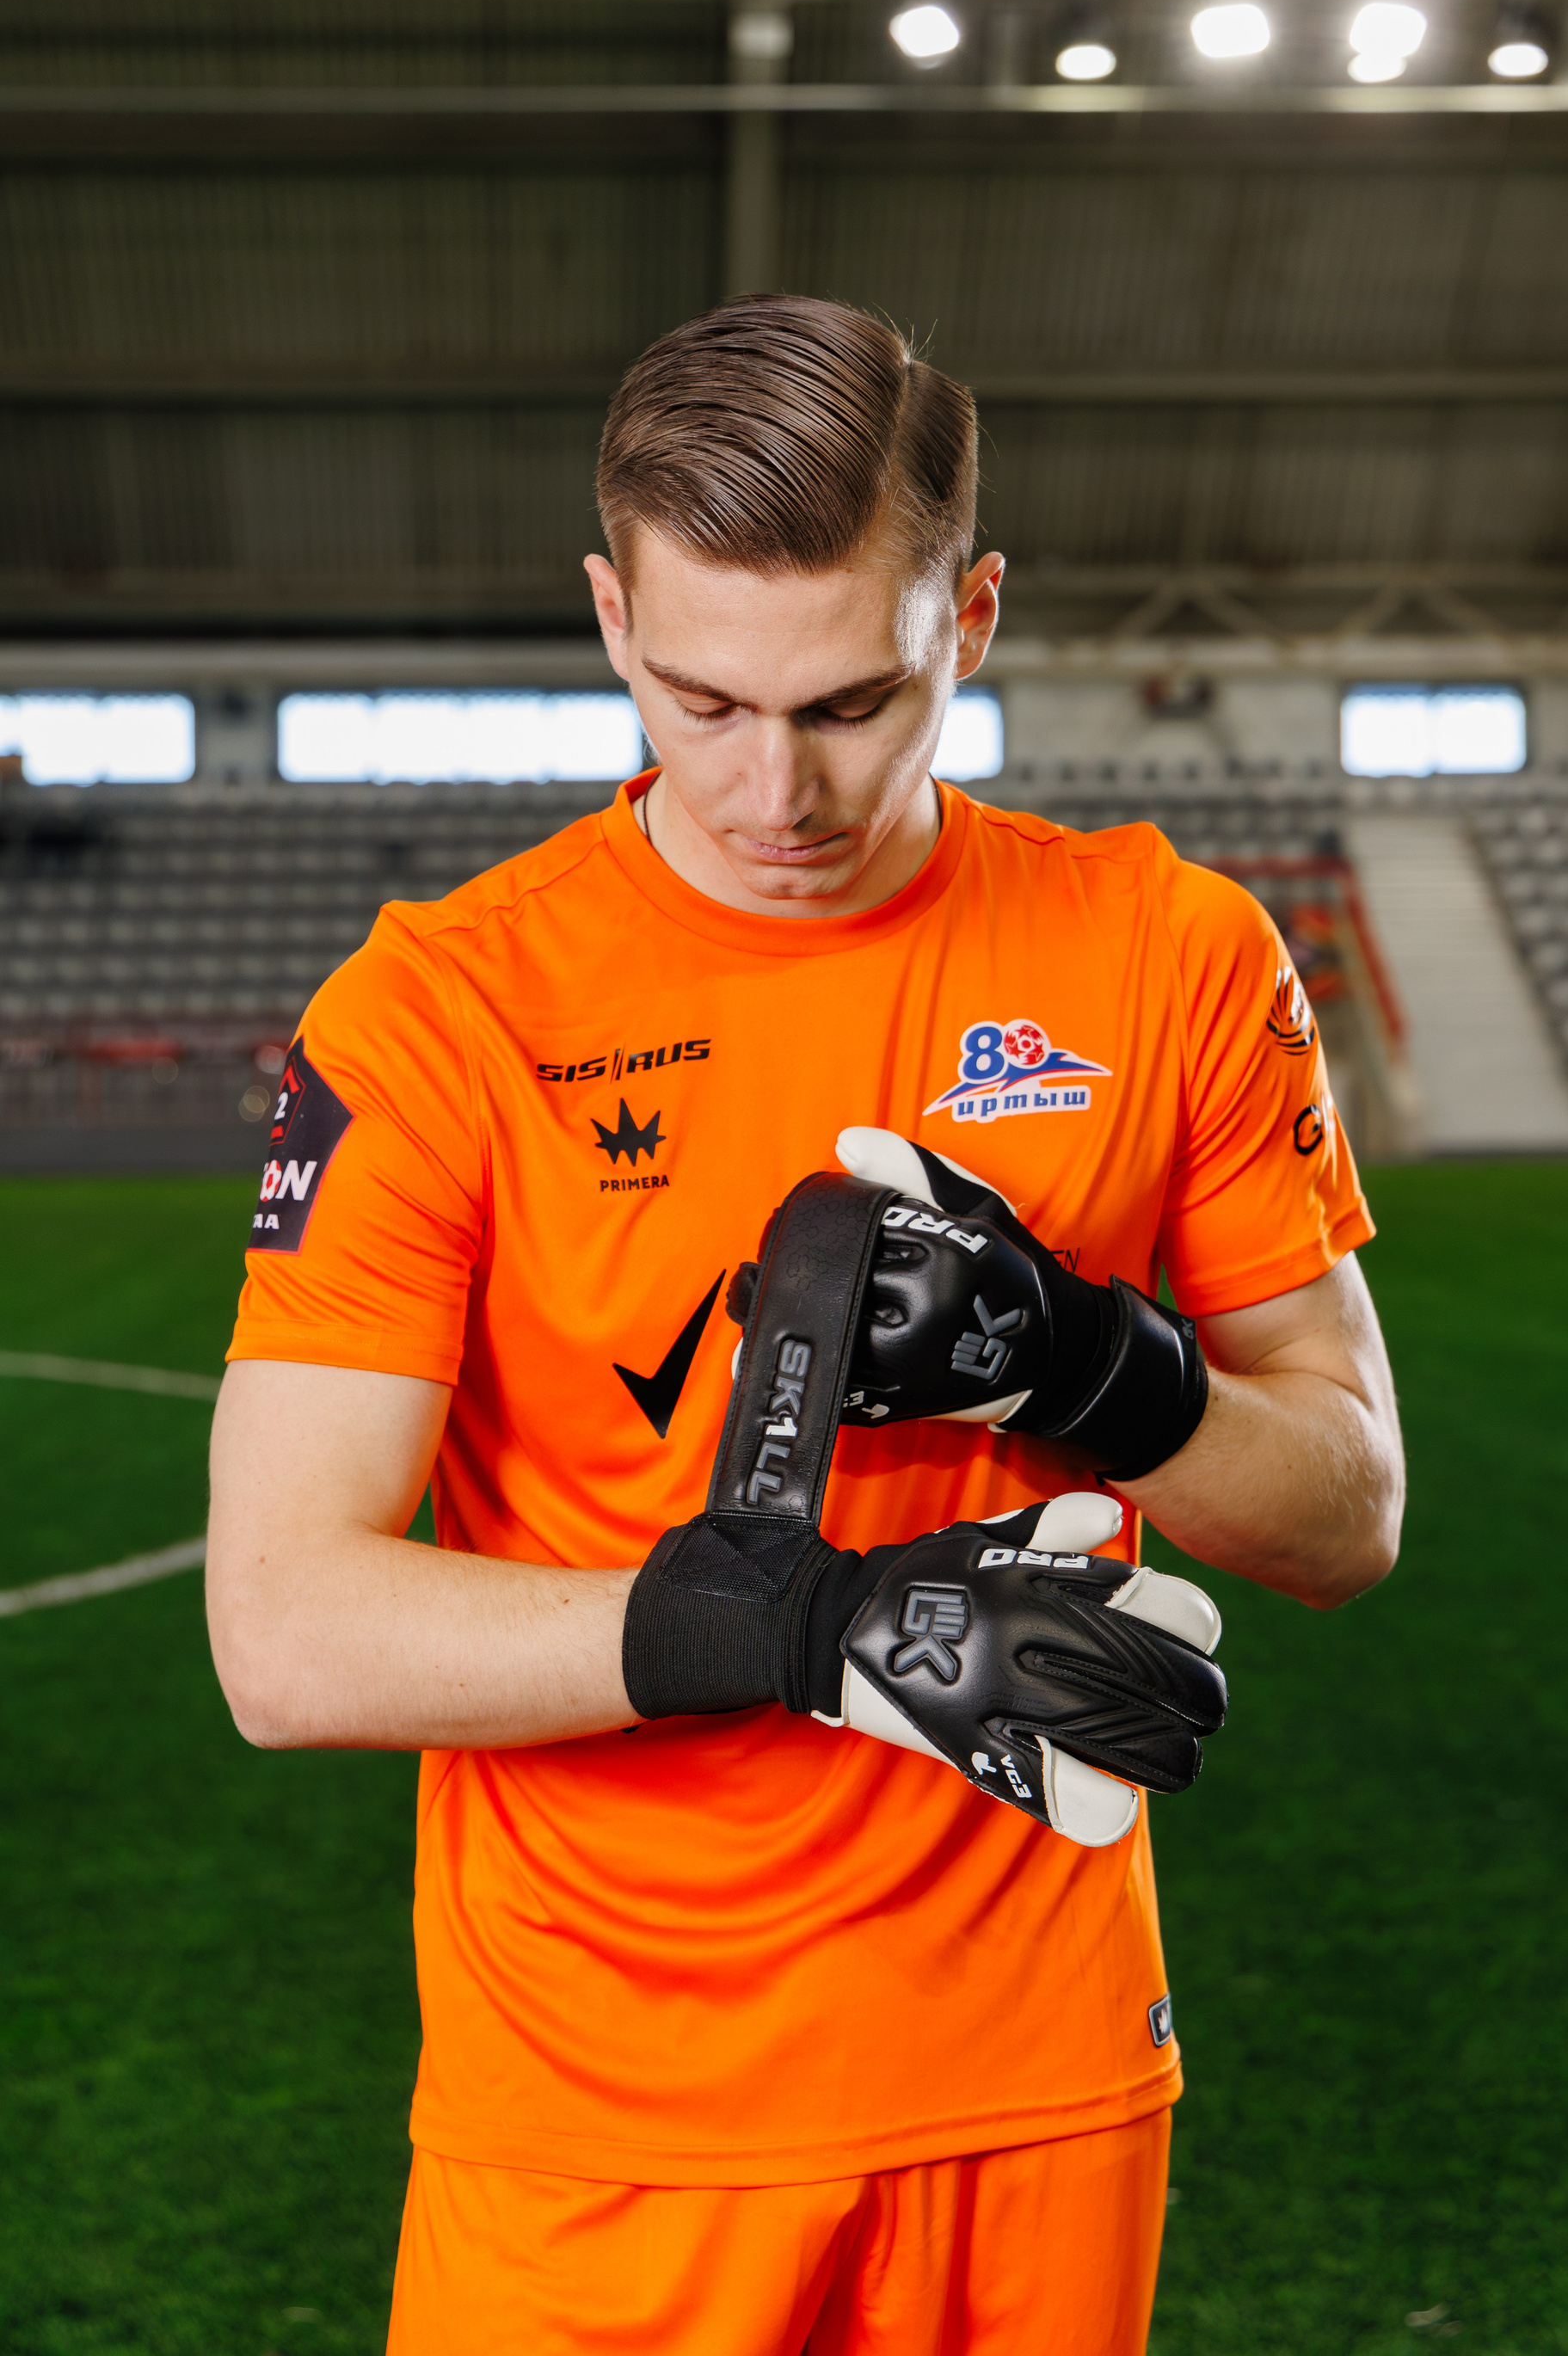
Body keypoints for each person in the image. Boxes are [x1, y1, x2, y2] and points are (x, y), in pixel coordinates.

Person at [206, 294, 1404, 2356]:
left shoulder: (1172, 954)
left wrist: (1080, 1362)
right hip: (596, 2113)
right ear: (611, 619)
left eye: (855, 701)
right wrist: (815, 1630)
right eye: (702, 701)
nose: (776, 788)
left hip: (1033, 2093)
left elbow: (1349, 1511)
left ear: (974, 616)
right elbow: (282, 1633)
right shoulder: (438, 1013)